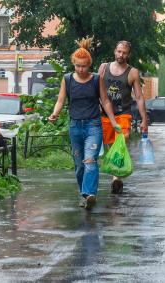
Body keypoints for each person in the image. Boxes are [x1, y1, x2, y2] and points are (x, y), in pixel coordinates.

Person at [49, 38, 120, 210]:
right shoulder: (67, 79)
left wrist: (113, 121)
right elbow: (60, 100)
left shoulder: (96, 79)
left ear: (89, 65)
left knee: (90, 161)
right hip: (75, 127)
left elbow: (105, 100)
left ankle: (90, 194)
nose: (81, 69)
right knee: (79, 165)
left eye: (84, 66)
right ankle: (84, 194)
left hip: (93, 126)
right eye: (77, 66)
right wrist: (55, 114)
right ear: (73, 63)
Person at [98, 40, 149, 194]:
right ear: (115, 51)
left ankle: (115, 178)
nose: (121, 55)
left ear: (129, 54)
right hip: (105, 114)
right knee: (109, 145)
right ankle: (115, 172)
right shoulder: (103, 67)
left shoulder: (132, 72)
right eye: (119, 51)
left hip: (123, 114)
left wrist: (144, 120)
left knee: (122, 141)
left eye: (124, 53)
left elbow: (139, 97)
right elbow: (95, 88)